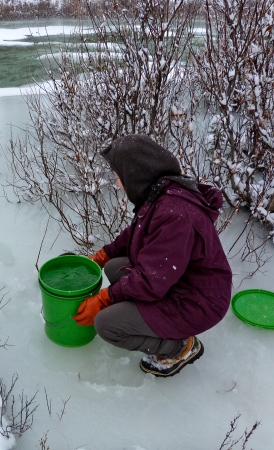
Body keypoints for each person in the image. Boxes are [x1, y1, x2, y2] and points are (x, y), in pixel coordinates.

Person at [73, 134, 232, 377]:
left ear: (135, 175)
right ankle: (152, 321)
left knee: (107, 325)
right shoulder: (162, 195)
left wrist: (106, 299)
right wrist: (103, 255)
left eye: (118, 178)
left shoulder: (174, 214)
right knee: (114, 267)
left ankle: (179, 347)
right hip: (181, 283)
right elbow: (135, 233)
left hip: (197, 302)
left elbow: (150, 280)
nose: (117, 184)